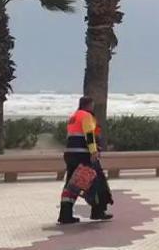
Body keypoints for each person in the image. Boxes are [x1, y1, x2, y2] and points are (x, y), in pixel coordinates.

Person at [58, 96, 113, 224]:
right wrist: (94, 151)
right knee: (97, 181)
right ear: (89, 105)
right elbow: (89, 135)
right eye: (92, 105)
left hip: (70, 155)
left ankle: (65, 215)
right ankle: (98, 211)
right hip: (83, 155)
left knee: (72, 186)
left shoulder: (73, 117)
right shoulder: (87, 116)